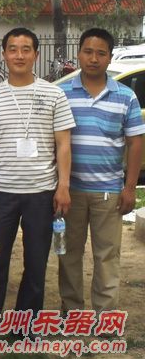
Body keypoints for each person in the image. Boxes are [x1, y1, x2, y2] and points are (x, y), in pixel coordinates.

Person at [0, 28, 75, 318]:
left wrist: (63, 186)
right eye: (13, 49)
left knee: (36, 263)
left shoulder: (54, 94)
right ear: (4, 55)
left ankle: (26, 326)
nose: (19, 55)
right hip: (1, 192)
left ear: (36, 55)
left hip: (41, 192)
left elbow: (64, 144)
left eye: (26, 49)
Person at [58, 28, 145, 312]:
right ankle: (72, 311)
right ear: (78, 54)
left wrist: (129, 188)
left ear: (109, 57)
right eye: (88, 52)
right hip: (69, 191)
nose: (93, 58)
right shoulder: (61, 94)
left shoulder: (126, 96)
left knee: (107, 256)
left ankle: (105, 315)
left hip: (108, 192)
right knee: (68, 254)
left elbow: (135, 144)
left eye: (100, 53)